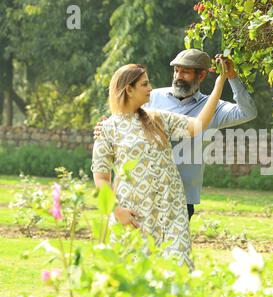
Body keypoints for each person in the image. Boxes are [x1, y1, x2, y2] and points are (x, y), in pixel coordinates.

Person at [91, 61, 228, 270]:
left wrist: (220, 84)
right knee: (134, 278)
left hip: (171, 211)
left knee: (178, 274)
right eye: (144, 84)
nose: (150, 89)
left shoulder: (158, 119)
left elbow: (197, 126)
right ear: (129, 89)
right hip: (135, 215)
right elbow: (101, 179)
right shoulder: (108, 129)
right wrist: (117, 211)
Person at [95, 49, 257, 221]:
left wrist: (230, 77)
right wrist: (105, 128)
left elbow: (247, 112)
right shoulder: (152, 97)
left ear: (201, 76)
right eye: (176, 70)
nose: (178, 76)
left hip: (181, 197)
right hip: (142, 192)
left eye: (185, 72)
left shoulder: (214, 107)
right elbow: (123, 119)